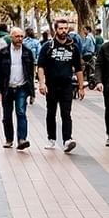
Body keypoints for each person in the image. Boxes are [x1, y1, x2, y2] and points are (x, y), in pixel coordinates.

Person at [38, 22, 84, 151]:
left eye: (65, 28)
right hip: (51, 85)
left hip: (66, 86)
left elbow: (79, 69)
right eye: (61, 28)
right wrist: (42, 83)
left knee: (66, 113)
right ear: (55, 30)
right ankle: (51, 138)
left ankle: (67, 140)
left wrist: (81, 87)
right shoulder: (47, 47)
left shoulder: (73, 48)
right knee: (51, 112)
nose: (63, 31)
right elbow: (40, 66)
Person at [0, 26, 38, 150]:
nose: (20, 39)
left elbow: (30, 74)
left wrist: (32, 92)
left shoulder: (27, 52)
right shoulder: (3, 53)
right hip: (7, 88)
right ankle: (9, 139)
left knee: (21, 112)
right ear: (11, 37)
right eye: (17, 36)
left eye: (21, 36)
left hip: (21, 87)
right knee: (7, 116)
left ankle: (22, 139)